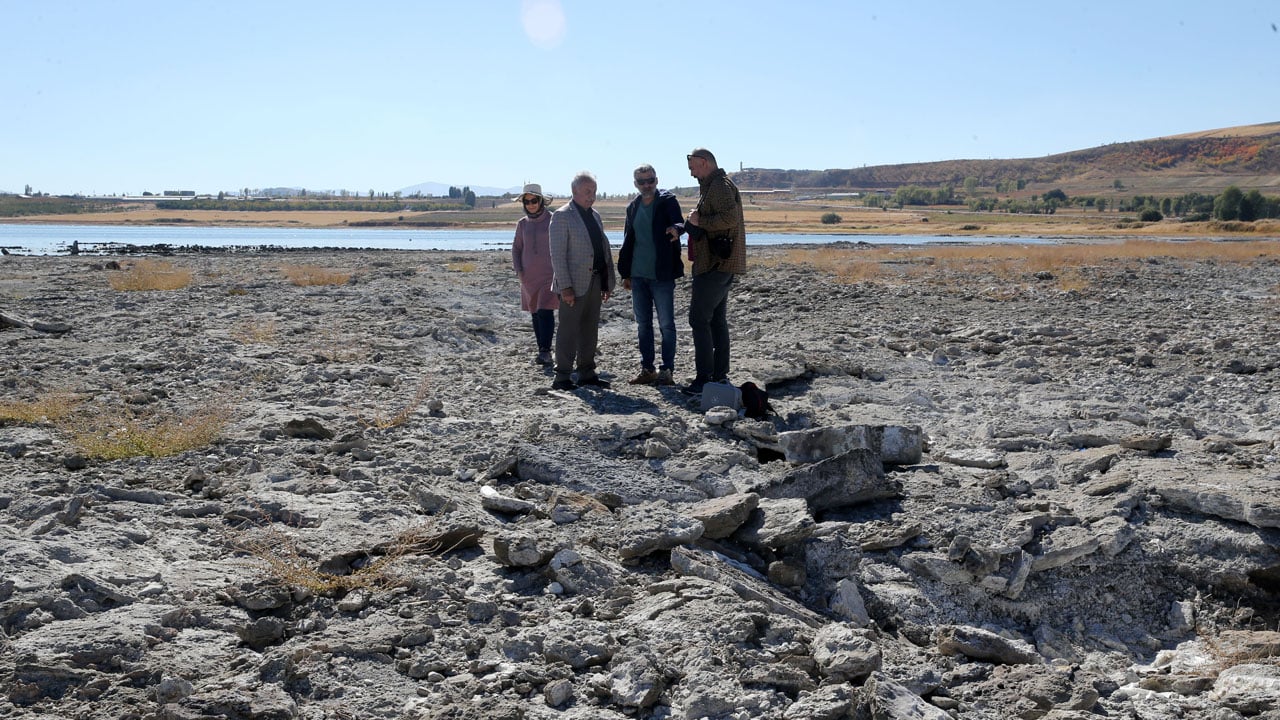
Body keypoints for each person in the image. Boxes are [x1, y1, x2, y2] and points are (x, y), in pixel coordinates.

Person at [680, 148, 746, 396]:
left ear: (704, 164)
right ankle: (718, 375)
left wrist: (700, 222)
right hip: (717, 264)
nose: (691, 173)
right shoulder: (714, 184)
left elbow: (730, 218)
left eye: (693, 168)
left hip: (716, 264)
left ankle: (705, 378)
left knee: (699, 319)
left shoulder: (719, 186)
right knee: (716, 320)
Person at [548, 171, 617, 391]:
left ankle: (586, 372)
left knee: (590, 328)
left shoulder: (595, 215)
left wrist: (607, 282)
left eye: (594, 191)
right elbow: (557, 255)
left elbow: (602, 250)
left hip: (595, 280)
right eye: (588, 191)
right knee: (568, 330)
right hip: (573, 285)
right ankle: (562, 376)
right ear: (575, 191)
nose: (592, 195)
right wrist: (565, 287)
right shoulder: (562, 216)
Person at [617, 164, 684, 386]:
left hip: (662, 275)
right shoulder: (633, 206)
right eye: (642, 182)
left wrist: (675, 229)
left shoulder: (667, 201)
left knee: (666, 324)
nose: (647, 185)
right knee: (643, 324)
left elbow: (678, 222)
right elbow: (629, 240)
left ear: (657, 180)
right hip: (638, 275)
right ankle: (647, 369)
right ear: (635, 184)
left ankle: (667, 370)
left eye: (650, 180)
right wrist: (625, 273)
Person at [511, 183, 556, 366]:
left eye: (534, 200)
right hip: (528, 277)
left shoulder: (553, 220)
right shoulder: (522, 224)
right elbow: (516, 248)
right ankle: (541, 349)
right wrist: (519, 271)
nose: (530, 204)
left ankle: (546, 351)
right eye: (527, 201)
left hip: (550, 275)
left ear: (541, 201)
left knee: (546, 310)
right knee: (535, 313)